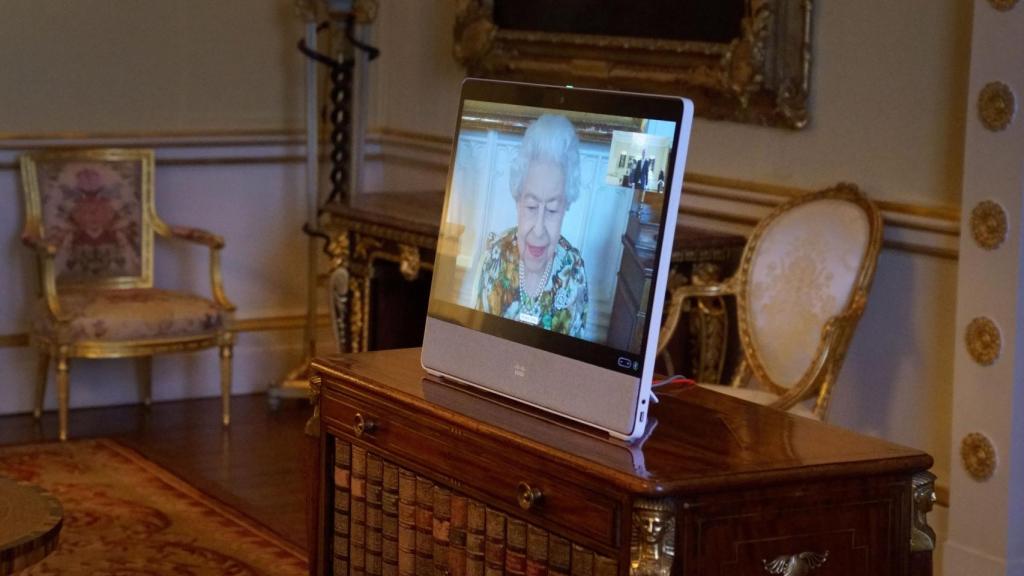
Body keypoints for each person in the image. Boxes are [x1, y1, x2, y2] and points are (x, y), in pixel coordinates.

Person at [476, 114, 589, 338]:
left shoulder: (574, 271)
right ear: (518, 200)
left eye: (552, 210)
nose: (538, 230)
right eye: (531, 206)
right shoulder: (494, 258)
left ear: (565, 206)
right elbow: (477, 340)